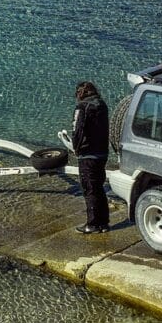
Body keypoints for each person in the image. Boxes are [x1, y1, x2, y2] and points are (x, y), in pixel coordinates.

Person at [72, 81, 110, 234]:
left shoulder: (82, 107)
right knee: (99, 187)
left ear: (80, 94)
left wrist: (76, 148)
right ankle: (104, 223)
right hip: (102, 153)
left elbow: (78, 130)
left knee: (89, 189)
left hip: (87, 154)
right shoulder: (102, 105)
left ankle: (92, 224)